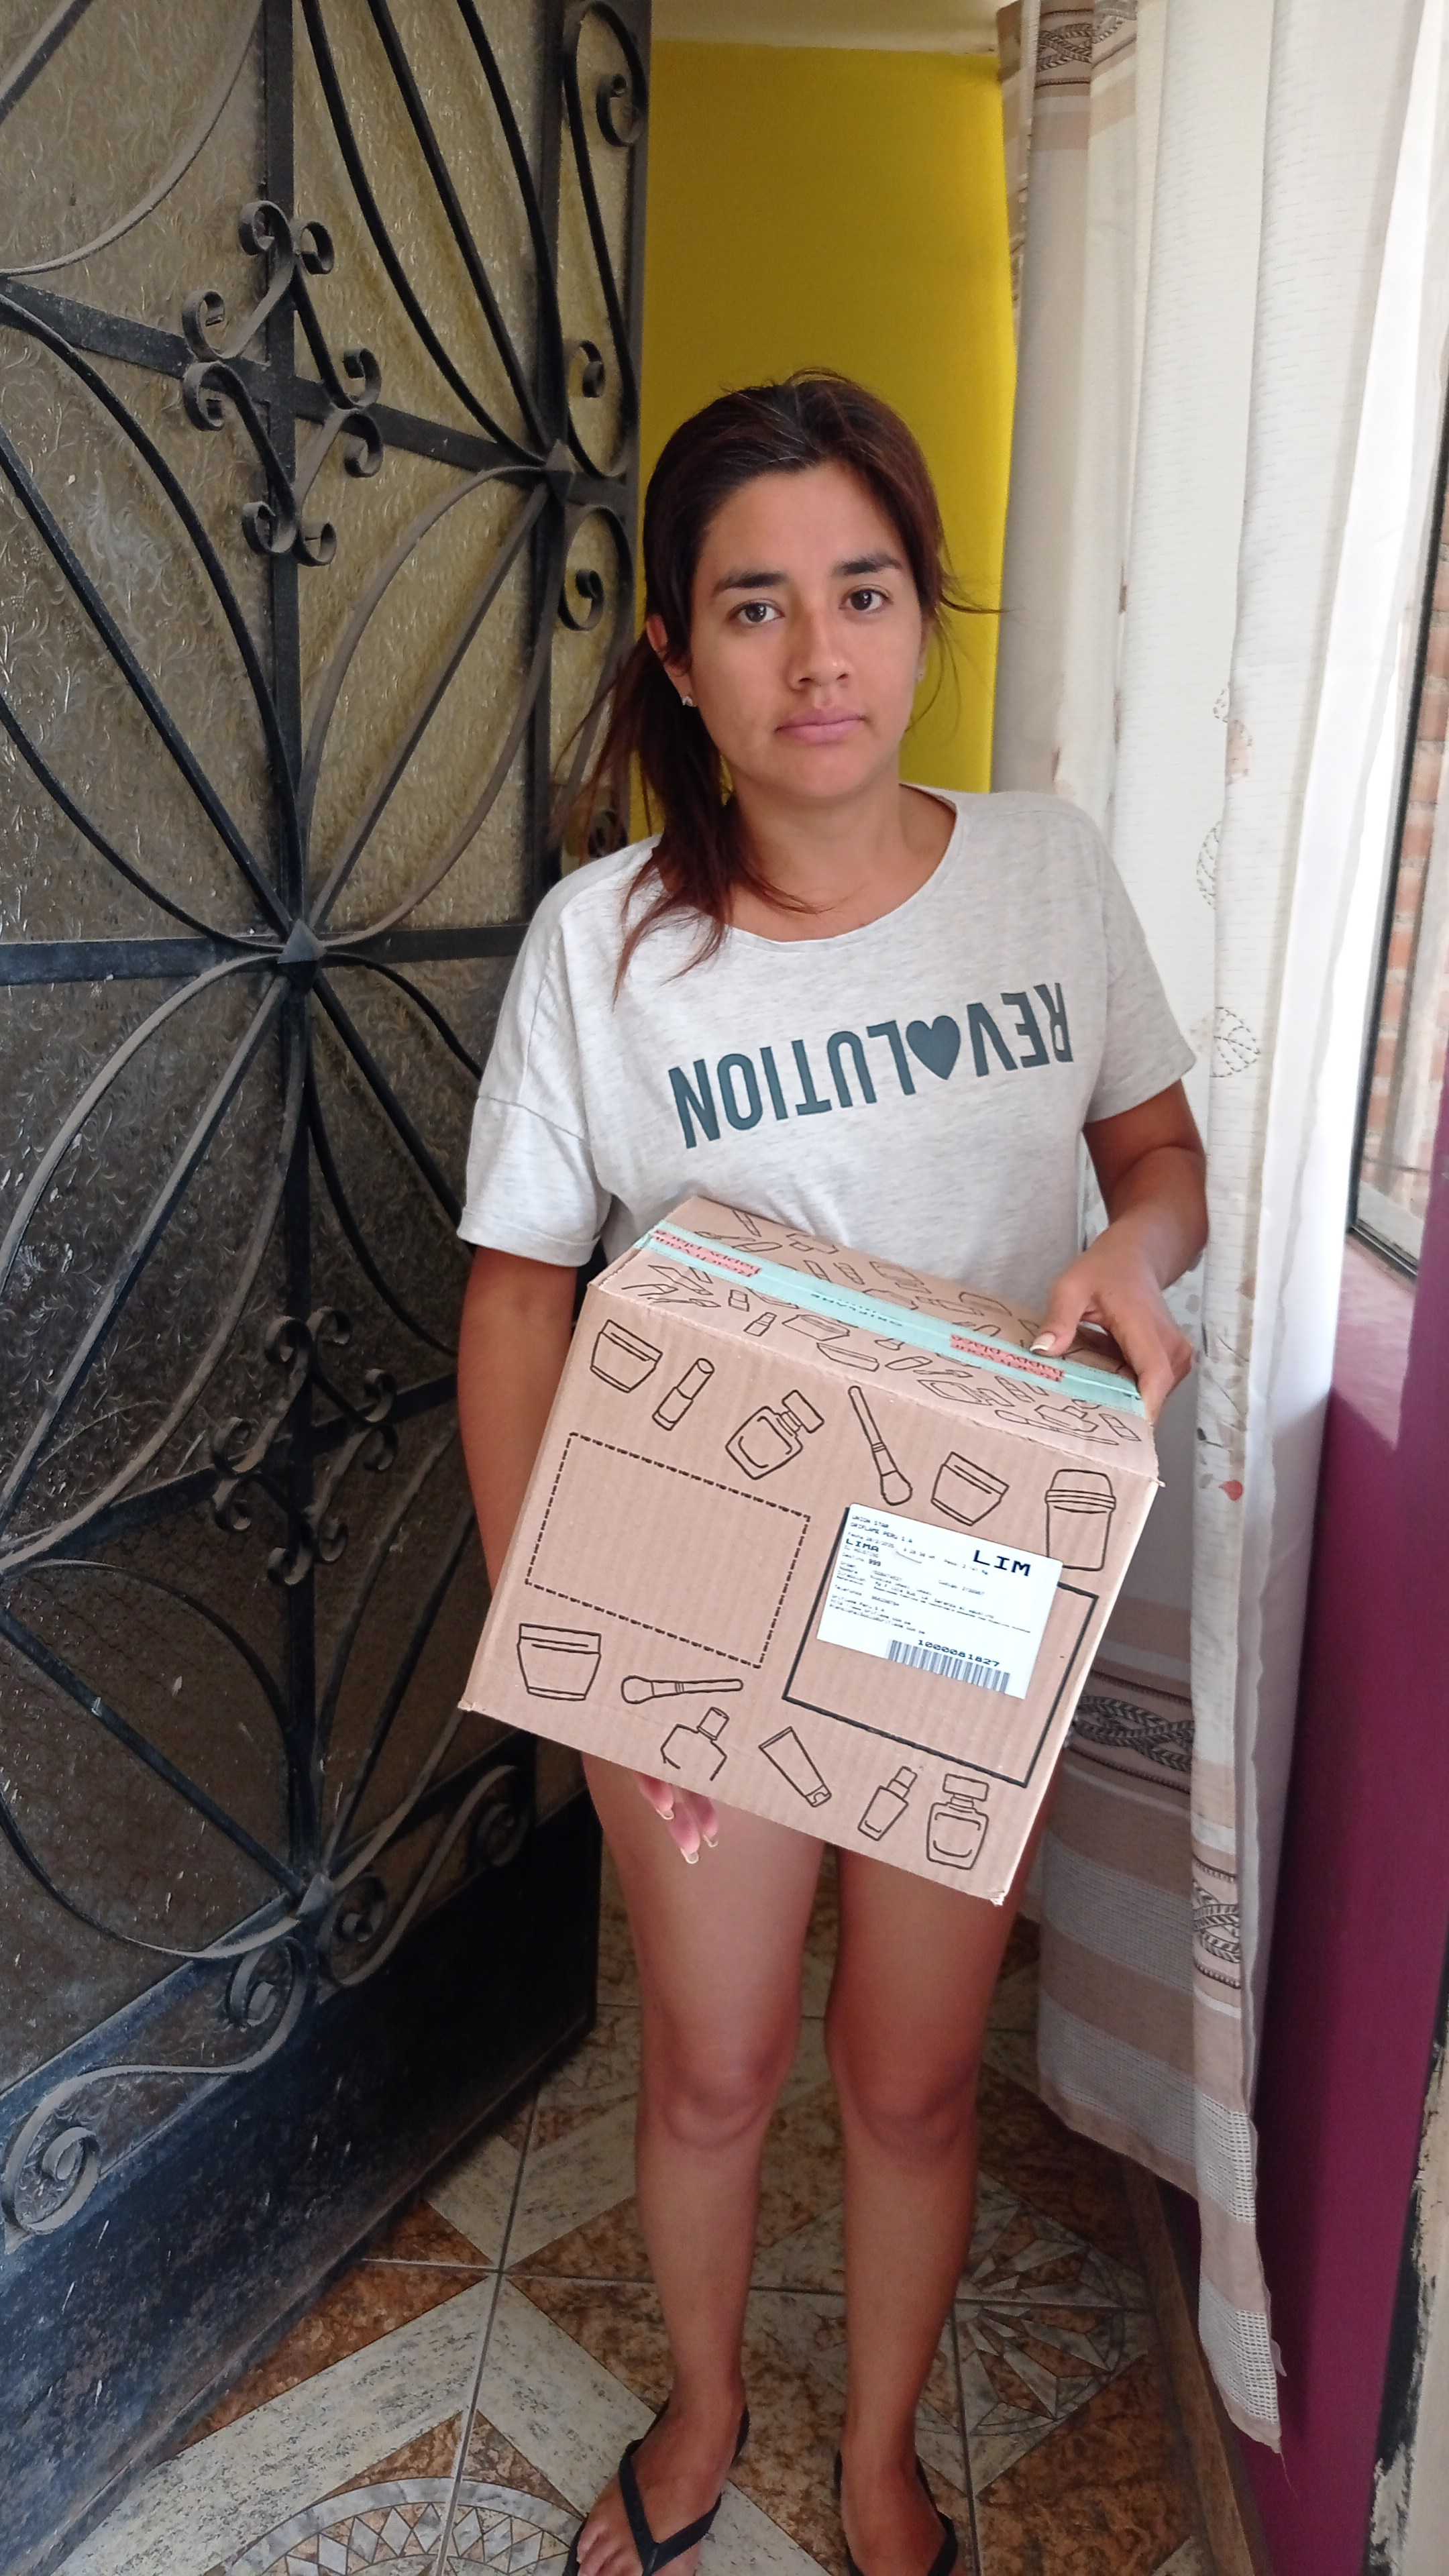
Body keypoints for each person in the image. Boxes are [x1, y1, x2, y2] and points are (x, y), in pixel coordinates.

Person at [455, 371, 1205, 2576]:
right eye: (755, 606)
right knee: (709, 2065)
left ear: (923, 608)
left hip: (961, 1576)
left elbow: (1159, 1154)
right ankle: (705, 2414)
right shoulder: (606, 944)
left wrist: (1135, 1255)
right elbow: (518, 1300)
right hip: (698, 1569)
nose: (819, 657)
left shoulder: (1048, 873)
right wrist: (576, 1652)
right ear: (679, 655)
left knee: (907, 2072)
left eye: (862, 593)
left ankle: (878, 2456)